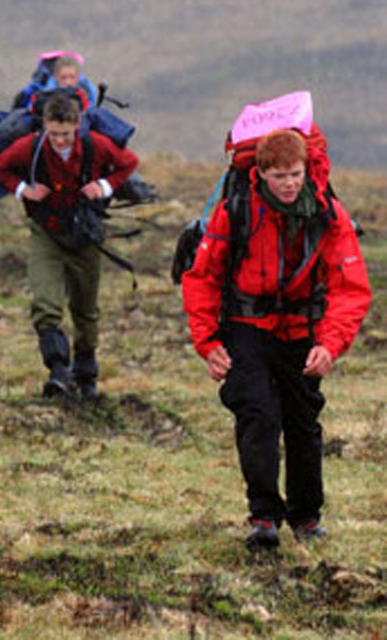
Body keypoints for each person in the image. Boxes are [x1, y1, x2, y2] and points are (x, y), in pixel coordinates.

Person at [181, 129, 370, 549]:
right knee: (258, 415)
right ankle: (263, 517)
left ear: (307, 170)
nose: (289, 183)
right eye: (280, 175)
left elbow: (350, 286)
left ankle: (306, 517)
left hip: (303, 330)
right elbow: (202, 277)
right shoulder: (236, 211)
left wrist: (330, 344)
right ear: (261, 173)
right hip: (246, 329)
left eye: (295, 174)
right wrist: (208, 343)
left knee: (302, 423)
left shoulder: (327, 213)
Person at [0, 92, 138, 399]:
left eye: (66, 134)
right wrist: (22, 190)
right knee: (45, 303)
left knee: (85, 310)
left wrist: (105, 186)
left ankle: (86, 375)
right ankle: (58, 370)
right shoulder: (30, 148)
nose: (59, 141)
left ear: (77, 125)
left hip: (85, 238)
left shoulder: (96, 145)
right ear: (44, 126)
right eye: (53, 134)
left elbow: (128, 162)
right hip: (46, 234)